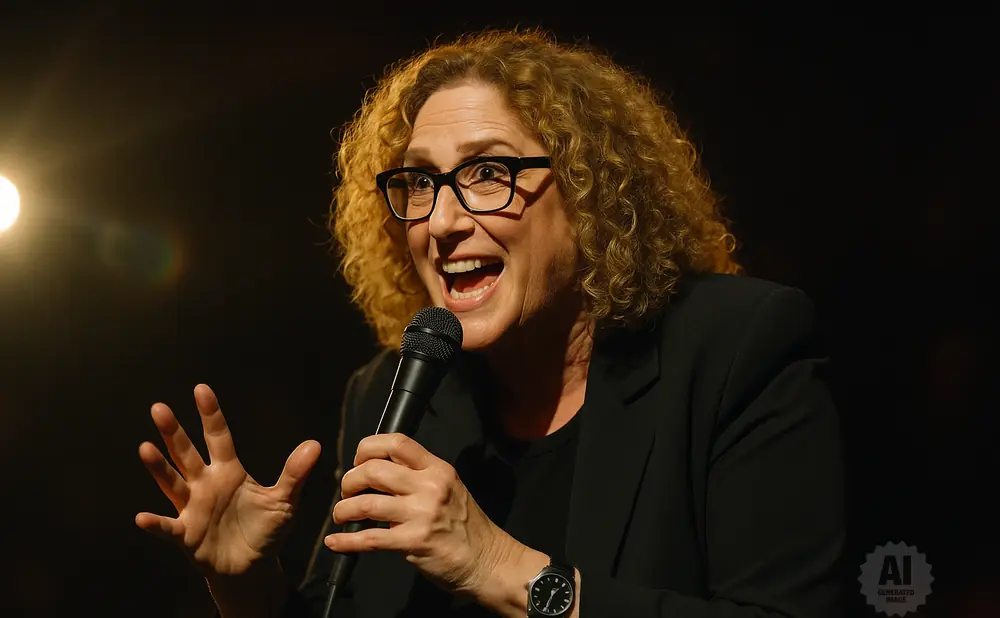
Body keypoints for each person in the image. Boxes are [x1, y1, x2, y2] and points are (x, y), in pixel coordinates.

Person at [136, 28, 846, 618]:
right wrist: (247, 587)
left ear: (589, 190)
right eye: (419, 182)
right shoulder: (394, 393)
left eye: (488, 173)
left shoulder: (736, 347)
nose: (442, 222)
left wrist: (499, 564)